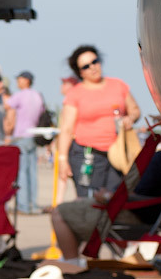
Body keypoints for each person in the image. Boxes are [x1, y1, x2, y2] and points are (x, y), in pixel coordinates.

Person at [51, 122, 161, 258]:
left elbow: (137, 192)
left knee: (60, 212)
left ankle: (72, 264)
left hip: (137, 217)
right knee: (79, 205)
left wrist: (108, 196)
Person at [57, 46, 140, 198]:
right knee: (89, 201)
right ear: (80, 72)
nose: (93, 67)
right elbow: (66, 129)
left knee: (115, 199)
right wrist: (62, 159)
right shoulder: (75, 94)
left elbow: (135, 110)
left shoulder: (118, 85)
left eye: (94, 62)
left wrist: (130, 118)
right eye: (86, 66)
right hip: (87, 155)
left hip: (117, 155)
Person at [4, 71, 46, 215]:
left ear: (26, 81)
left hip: (21, 136)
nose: (18, 82)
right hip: (33, 136)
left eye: (19, 79)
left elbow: (7, 105)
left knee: (21, 171)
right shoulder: (37, 96)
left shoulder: (20, 95)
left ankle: (23, 205)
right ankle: (33, 204)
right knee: (32, 172)